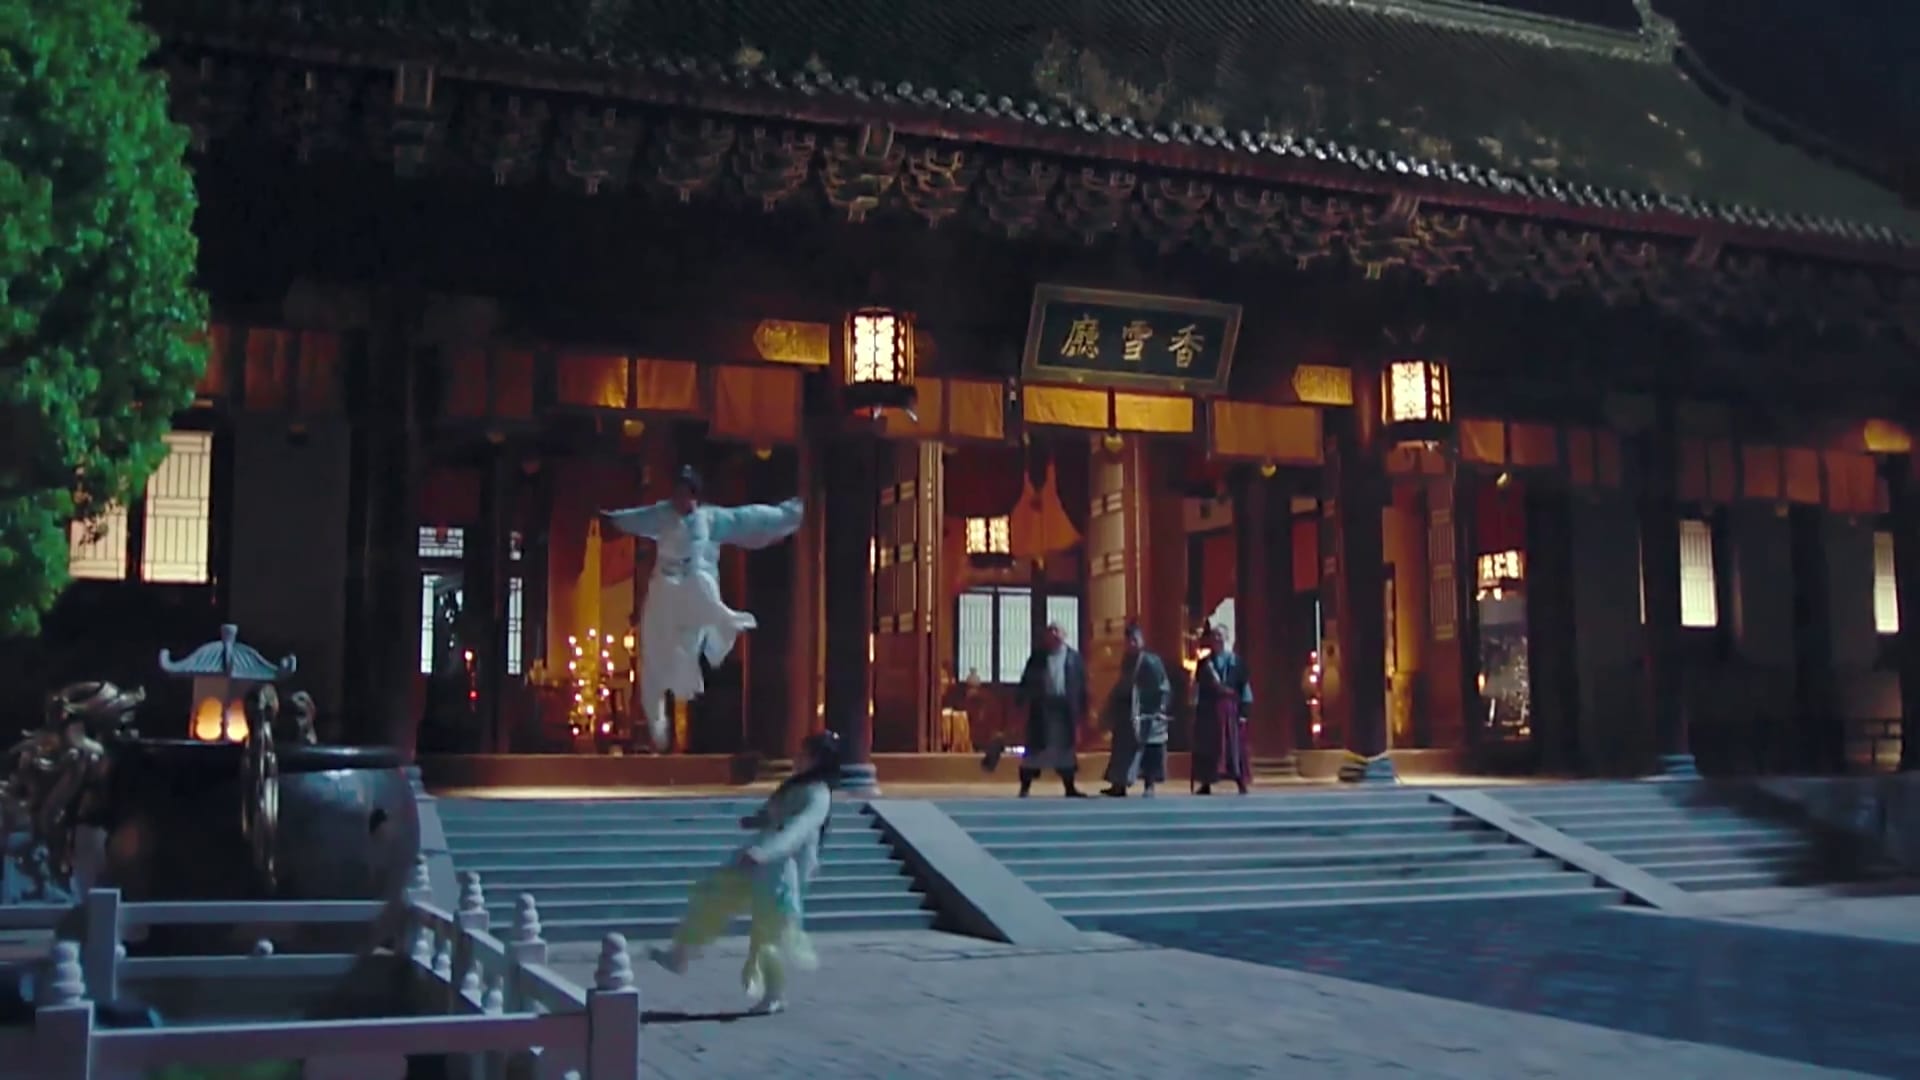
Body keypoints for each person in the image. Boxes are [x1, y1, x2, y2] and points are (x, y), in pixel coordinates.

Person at [601, 466, 804, 753]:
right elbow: (637, 518)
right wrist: (612, 519)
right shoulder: (662, 515)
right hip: (666, 588)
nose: (681, 500)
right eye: (678, 493)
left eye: (686, 494)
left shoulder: (710, 519)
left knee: (693, 626)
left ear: (695, 495)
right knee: (656, 651)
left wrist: (789, 514)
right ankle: (656, 716)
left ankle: (724, 624)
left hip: (696, 584)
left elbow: (747, 518)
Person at [651, 730, 843, 1014]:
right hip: (759, 855)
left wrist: (765, 853)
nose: (797, 757)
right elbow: (774, 815)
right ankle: (680, 954)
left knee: (768, 930)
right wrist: (757, 820)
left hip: (783, 866)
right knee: (713, 898)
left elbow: (797, 831)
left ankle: (774, 994)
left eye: (805, 753)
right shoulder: (795, 786)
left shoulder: (819, 795)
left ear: (819, 760)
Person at [1013, 623, 1088, 798]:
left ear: (1064, 635)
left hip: (1064, 710)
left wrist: (1083, 711)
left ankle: (1069, 787)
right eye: (1050, 631)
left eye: (1057, 630)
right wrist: (1020, 701)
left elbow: (1082, 686)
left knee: (1065, 752)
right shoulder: (1038, 657)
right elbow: (1026, 681)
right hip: (1042, 708)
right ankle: (1025, 787)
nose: (1054, 634)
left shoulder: (1074, 658)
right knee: (1034, 751)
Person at [1101, 620, 1172, 798]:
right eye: (1129, 640)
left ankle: (1149, 785)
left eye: (1135, 639)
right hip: (1128, 711)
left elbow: (1162, 686)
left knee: (1149, 749)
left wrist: (1160, 708)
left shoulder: (1151, 660)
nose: (1131, 643)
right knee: (1122, 749)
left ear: (1141, 640)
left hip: (1147, 711)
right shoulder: (1127, 660)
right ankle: (1119, 784)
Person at [1192, 623, 1253, 795]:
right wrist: (1195, 709)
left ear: (1226, 638)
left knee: (1235, 748)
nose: (1216, 639)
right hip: (1210, 711)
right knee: (1209, 747)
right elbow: (1198, 689)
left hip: (1231, 710)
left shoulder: (1237, 663)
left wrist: (1244, 713)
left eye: (1220, 635)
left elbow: (1245, 690)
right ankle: (1206, 782)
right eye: (1214, 636)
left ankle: (1240, 781)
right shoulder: (1204, 664)